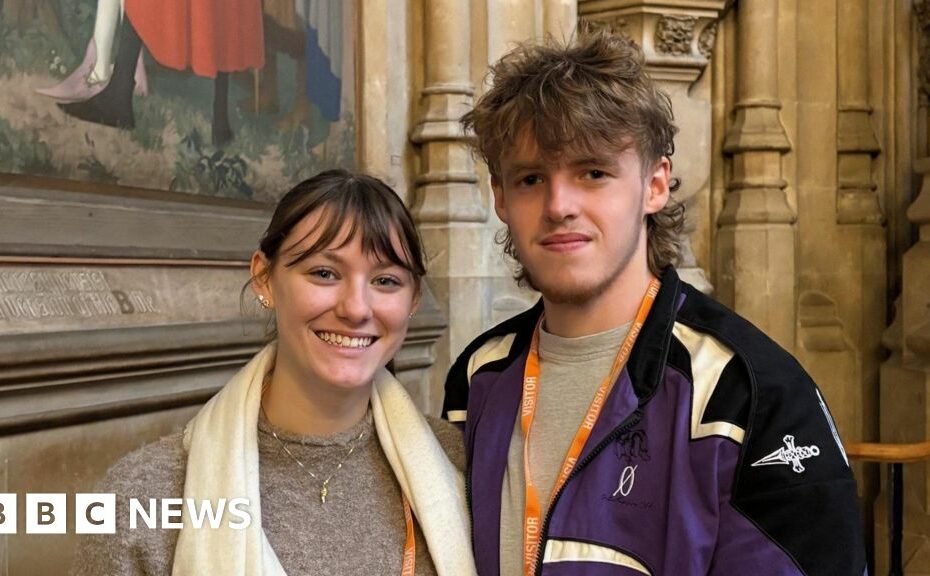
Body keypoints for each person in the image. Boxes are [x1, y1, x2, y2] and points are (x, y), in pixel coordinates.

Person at [442, 31, 866, 576]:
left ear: (655, 184)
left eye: (593, 172)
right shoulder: (480, 376)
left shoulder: (747, 392)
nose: (558, 205)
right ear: (501, 198)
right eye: (530, 178)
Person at [72, 170, 476, 576]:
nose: (356, 308)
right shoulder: (144, 496)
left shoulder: (460, 464)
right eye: (324, 273)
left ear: (413, 300)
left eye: (386, 281)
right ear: (264, 277)